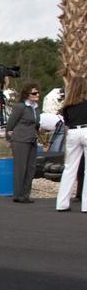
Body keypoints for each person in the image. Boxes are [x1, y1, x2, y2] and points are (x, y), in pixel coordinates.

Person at [5, 82, 41, 203]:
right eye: (34, 93)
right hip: (20, 140)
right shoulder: (21, 107)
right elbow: (10, 124)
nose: (37, 95)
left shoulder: (36, 107)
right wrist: (9, 139)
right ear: (27, 95)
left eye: (38, 92)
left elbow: (36, 124)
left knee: (31, 168)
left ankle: (26, 194)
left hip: (32, 140)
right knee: (21, 167)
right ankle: (18, 194)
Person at [55, 76, 87, 213]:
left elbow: (66, 125)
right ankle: (86, 205)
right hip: (86, 130)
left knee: (69, 169)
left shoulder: (67, 105)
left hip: (73, 133)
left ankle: (61, 203)